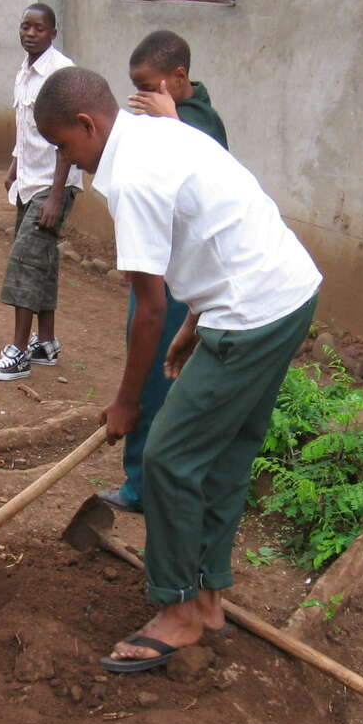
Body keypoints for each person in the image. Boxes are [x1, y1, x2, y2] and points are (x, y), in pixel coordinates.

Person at [34, 67, 322, 671]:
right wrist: (199, 317)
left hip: (250, 312)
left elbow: (147, 309)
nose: (68, 160)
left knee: (167, 457)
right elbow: (214, 223)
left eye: (64, 145)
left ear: (88, 124)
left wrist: (127, 403)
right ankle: (210, 596)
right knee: (225, 452)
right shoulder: (161, 131)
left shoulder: (132, 179)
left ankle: (179, 611)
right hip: (287, 291)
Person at [97, 30, 229, 514]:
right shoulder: (166, 116)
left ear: (178, 78)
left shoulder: (198, 123)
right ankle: (146, 477)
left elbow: (190, 168)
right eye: (135, 87)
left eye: (150, 86)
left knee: (155, 374)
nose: (142, 97)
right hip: (158, 265)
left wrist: (167, 120)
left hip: (178, 275)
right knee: (146, 358)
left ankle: (144, 486)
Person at [0, 3, 81, 381]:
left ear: (53, 33)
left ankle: (19, 354)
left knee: (24, 262)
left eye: (39, 28)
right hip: (29, 181)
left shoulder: (61, 74)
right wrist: (14, 167)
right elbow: (25, 129)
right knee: (43, 263)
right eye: (25, 26)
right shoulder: (24, 73)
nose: (30, 33)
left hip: (53, 185)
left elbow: (68, 137)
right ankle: (47, 344)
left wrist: (56, 196)